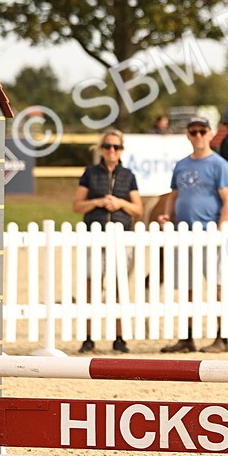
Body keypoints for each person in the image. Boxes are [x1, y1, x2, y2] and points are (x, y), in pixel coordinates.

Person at [158, 115, 228, 353]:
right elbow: (174, 195)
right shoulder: (181, 165)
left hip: (209, 232)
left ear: (210, 134)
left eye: (202, 131)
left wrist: (222, 226)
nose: (198, 136)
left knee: (217, 284)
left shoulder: (220, 165)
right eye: (194, 132)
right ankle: (188, 336)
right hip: (185, 232)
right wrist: (167, 216)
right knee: (188, 286)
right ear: (188, 135)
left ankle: (221, 337)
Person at [71, 129, 144, 354]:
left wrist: (120, 204)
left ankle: (119, 337)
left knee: (118, 288)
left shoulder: (129, 175)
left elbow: (138, 210)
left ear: (121, 150)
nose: (112, 150)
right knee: (92, 287)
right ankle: (89, 337)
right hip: (96, 236)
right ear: (102, 149)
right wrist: (98, 202)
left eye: (116, 147)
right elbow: (77, 205)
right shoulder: (90, 174)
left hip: (121, 237)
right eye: (108, 146)